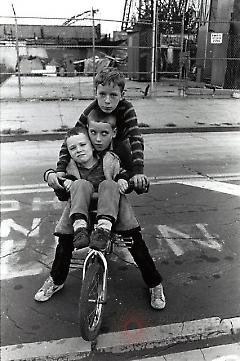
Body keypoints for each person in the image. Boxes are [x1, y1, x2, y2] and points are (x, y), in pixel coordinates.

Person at [34, 110, 166, 310]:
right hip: (80, 210)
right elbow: (62, 193)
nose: (95, 140)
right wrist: (53, 178)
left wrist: (126, 181)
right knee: (64, 242)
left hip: (112, 207)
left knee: (135, 241)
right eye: (74, 147)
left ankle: (154, 283)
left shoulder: (112, 158)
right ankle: (56, 279)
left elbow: (127, 176)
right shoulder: (70, 166)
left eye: (83, 144)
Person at [47, 66, 148, 193]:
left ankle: (134, 181)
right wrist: (60, 168)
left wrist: (138, 171)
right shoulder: (91, 110)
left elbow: (135, 138)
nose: (107, 101)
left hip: (119, 145)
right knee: (79, 147)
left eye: (113, 95)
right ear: (95, 93)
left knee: (127, 153)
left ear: (122, 95)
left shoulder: (126, 108)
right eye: (102, 94)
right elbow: (71, 136)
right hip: (98, 146)